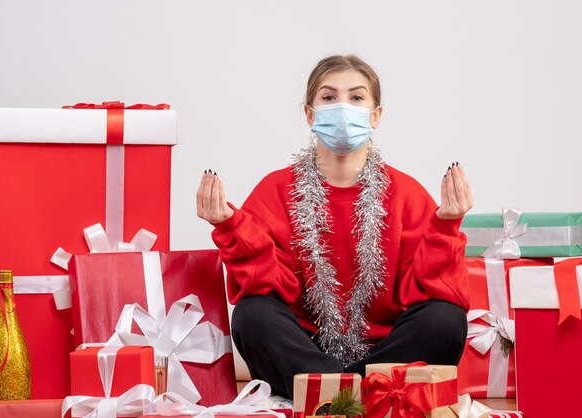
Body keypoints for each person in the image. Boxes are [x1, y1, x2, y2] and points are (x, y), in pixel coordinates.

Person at [197, 54, 473, 400]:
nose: (343, 106)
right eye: (329, 97)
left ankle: (334, 397)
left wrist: (445, 226)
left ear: (376, 116)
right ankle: (358, 397)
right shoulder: (276, 190)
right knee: (252, 315)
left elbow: (429, 294)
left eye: (356, 98)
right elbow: (268, 285)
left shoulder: (407, 193)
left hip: (385, 354)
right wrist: (229, 225)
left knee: (445, 319)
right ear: (309, 114)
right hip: (304, 352)